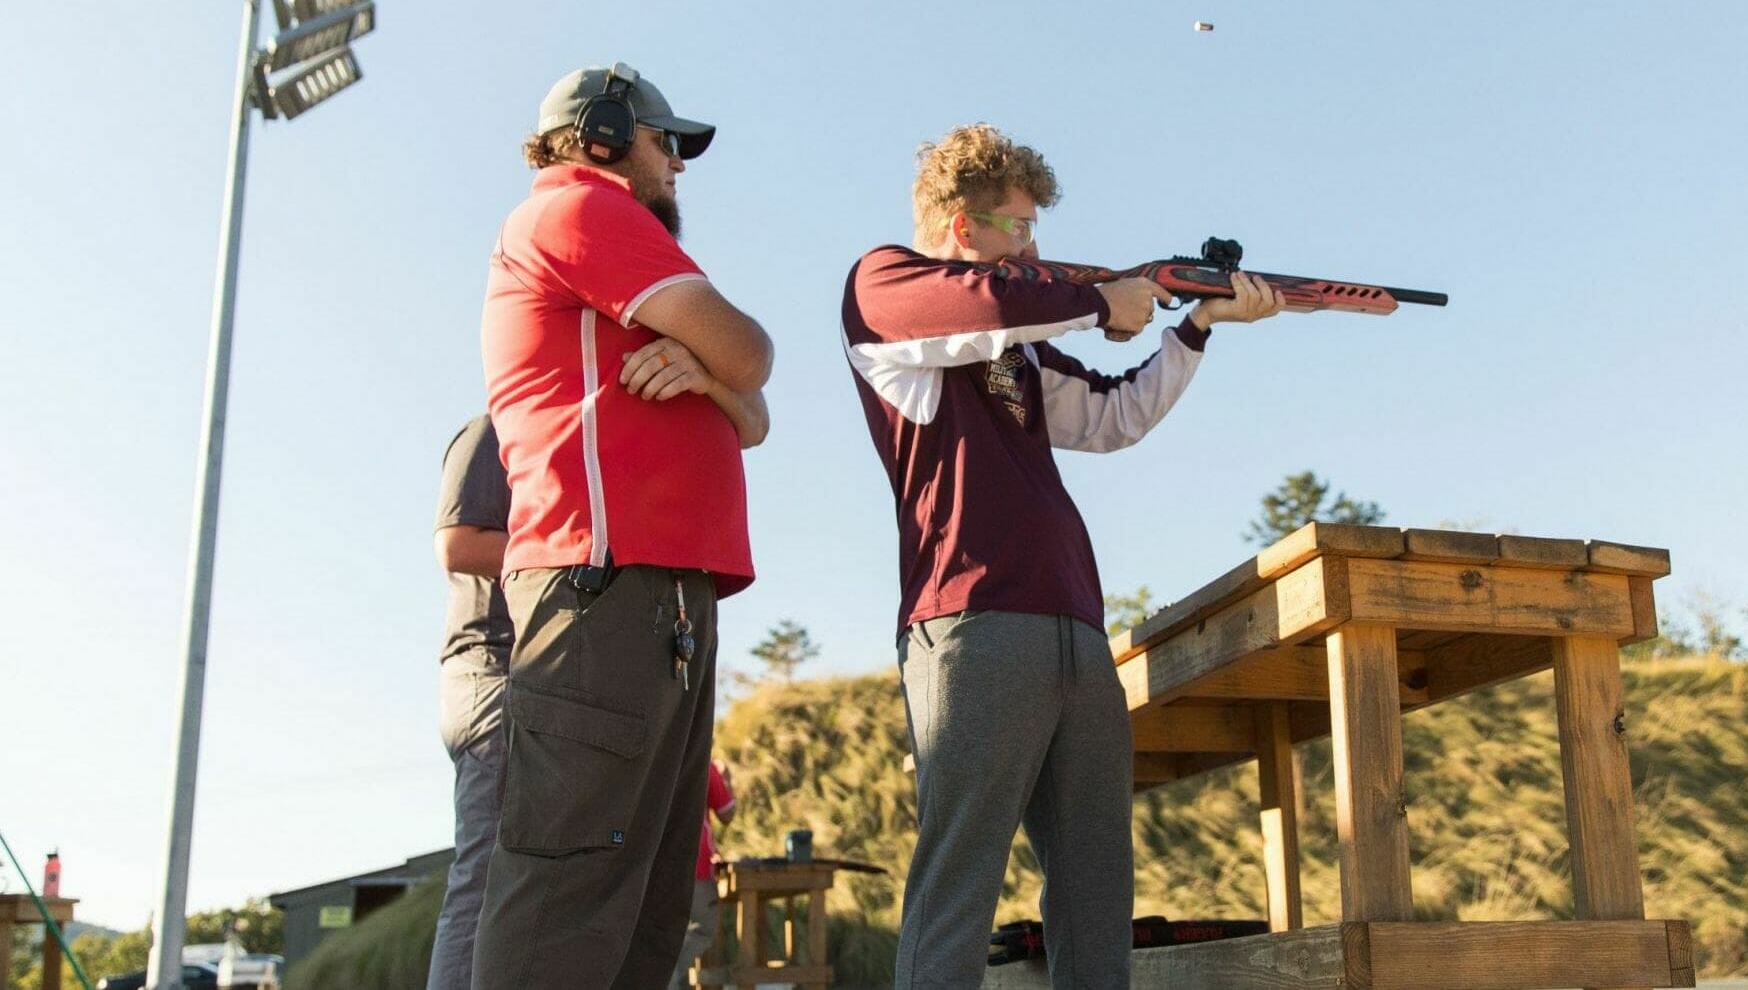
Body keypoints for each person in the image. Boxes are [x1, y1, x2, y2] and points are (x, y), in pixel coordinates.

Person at [840, 123, 1282, 988]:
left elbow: (1114, 416)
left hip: (1076, 626)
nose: (1036, 249)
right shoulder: (884, 282)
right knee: (958, 884)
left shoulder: (1023, 350)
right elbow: (989, 305)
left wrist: (1193, 326)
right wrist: (1103, 302)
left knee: (1094, 890)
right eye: (1018, 228)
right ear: (963, 228)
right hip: (971, 620)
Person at [473, 62, 773, 990]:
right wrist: (724, 365)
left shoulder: (613, 243)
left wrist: (709, 377)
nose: (677, 164)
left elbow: (752, 410)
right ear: (602, 135)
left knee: (640, 912)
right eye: (664, 141)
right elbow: (754, 349)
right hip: (604, 589)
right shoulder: (582, 210)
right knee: (565, 906)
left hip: (659, 601)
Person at [425, 414, 511, 990]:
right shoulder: (492, 430)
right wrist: (593, 546)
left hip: (537, 676)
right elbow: (456, 545)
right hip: (492, 672)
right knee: (484, 876)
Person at [670, 761, 739, 986]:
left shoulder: (661, 757)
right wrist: (727, 780)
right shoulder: (704, 765)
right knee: (703, 928)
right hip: (695, 864)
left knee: (664, 931)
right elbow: (727, 813)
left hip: (658, 866)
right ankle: (667, 977)